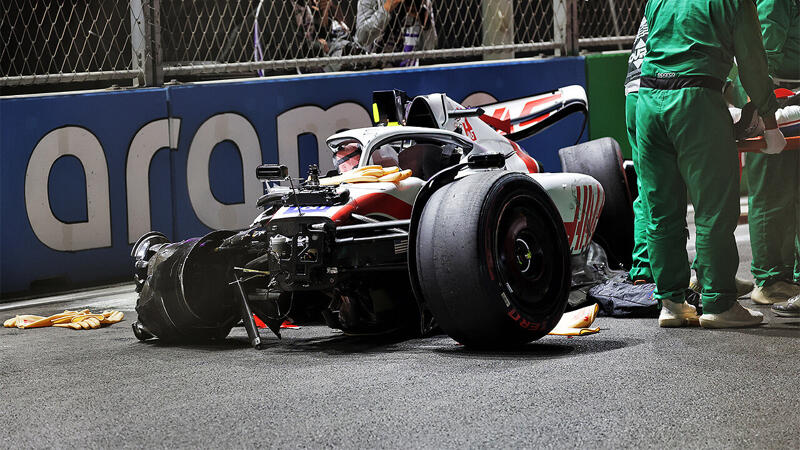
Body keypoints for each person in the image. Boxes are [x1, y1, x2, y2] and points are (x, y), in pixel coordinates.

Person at [636, 0, 785, 328]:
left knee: (661, 210)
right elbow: (752, 60)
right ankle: (718, 302)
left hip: (647, 101)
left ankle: (672, 303)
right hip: (695, 103)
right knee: (714, 210)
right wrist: (770, 121)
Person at [741, 0, 800, 314]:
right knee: (770, 193)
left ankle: (785, 277)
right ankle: (770, 280)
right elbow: (759, 58)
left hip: (788, 97)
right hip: (775, 99)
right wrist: (763, 115)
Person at [354, 0, 437, 67]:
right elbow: (361, 39)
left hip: (409, 73)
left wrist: (426, 25)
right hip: (375, 72)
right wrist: (386, 9)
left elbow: (431, 48)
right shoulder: (369, 1)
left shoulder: (423, 2)